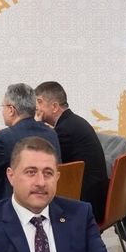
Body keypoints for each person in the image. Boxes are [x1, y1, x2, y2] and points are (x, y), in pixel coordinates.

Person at [35, 81, 110, 223]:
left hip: (86, 204)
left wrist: (37, 127)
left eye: (39, 102)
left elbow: (41, 158)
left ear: (55, 106)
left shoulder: (65, 130)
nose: (36, 108)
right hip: (94, 197)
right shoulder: (72, 122)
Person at [0, 83, 61, 202]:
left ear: (11, 110)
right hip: (48, 200)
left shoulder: (5, 137)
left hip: (14, 203)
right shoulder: (51, 133)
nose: (2, 111)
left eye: (3, 107)